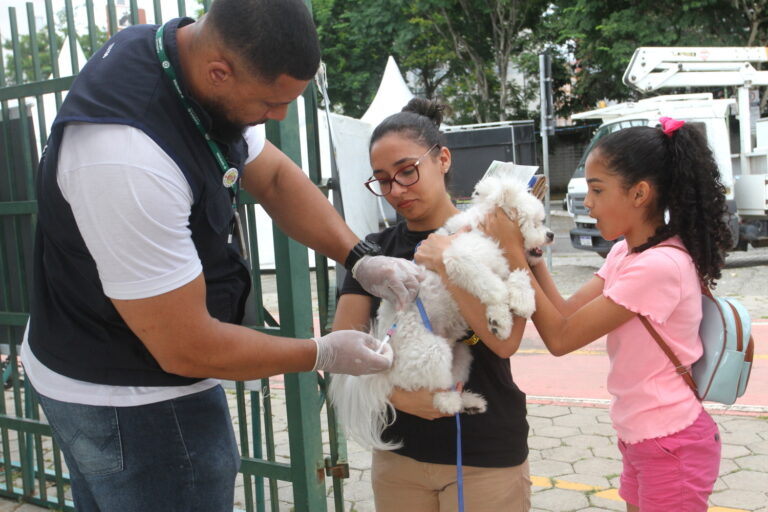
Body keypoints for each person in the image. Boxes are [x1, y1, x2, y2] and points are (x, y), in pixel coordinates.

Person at [21, 1, 422, 511]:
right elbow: (185, 348)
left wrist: (360, 257)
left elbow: (274, 177)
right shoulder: (128, 156)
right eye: (270, 103)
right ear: (219, 72)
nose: (277, 117)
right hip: (133, 402)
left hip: (90, 357)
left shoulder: (187, 64)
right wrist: (320, 353)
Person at [422, 118, 728, 511]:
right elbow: (564, 311)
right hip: (644, 437)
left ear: (639, 194)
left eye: (598, 190)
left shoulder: (659, 267)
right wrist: (530, 255)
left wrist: (512, 252)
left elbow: (561, 338)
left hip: (670, 442)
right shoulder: (626, 254)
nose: (587, 203)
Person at [333, 98, 532, 512]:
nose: (397, 191)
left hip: (483, 451)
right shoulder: (374, 254)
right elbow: (339, 352)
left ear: (442, 159)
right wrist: (400, 399)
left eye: (407, 171)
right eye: (383, 180)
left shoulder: (492, 232)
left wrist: (445, 260)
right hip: (399, 452)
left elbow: (505, 341)